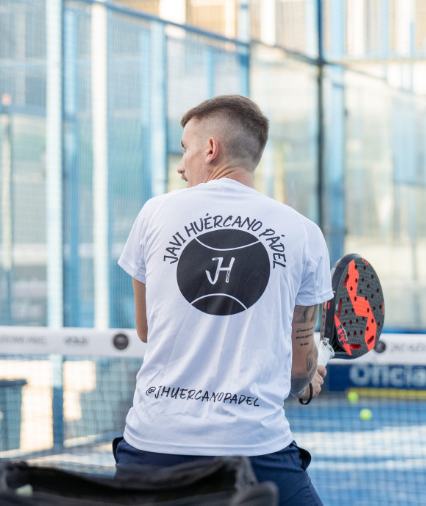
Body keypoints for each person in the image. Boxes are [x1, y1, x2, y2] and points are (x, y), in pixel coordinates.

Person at [114, 95, 332, 505]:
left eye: (185, 149)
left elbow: (147, 330)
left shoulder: (153, 214)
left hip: (154, 443)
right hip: (256, 450)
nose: (181, 165)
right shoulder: (303, 232)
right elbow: (300, 367)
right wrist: (304, 382)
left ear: (210, 149)